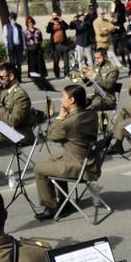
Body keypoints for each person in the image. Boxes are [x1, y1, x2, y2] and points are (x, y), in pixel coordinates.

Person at [34, 84, 99, 220]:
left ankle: (50, 207)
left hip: (77, 166)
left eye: (63, 97)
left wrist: (60, 118)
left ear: (72, 100)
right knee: (52, 160)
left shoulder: (69, 122)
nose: (60, 100)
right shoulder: (91, 114)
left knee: (39, 169)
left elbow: (52, 136)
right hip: (90, 161)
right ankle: (65, 202)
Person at [84, 46, 120, 112]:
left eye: (98, 58)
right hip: (96, 97)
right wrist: (85, 77)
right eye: (95, 58)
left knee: (89, 109)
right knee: (80, 104)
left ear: (105, 57)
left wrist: (94, 75)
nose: (96, 60)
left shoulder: (113, 69)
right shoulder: (96, 68)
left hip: (108, 99)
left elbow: (108, 85)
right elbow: (88, 84)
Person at [46, 12, 70, 77]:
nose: (55, 17)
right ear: (52, 17)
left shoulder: (61, 23)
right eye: (53, 16)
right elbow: (47, 31)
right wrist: (50, 23)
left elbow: (67, 26)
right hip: (55, 45)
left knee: (66, 60)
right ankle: (57, 75)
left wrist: (61, 20)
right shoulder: (51, 24)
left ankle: (66, 74)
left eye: (56, 15)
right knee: (56, 61)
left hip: (63, 44)